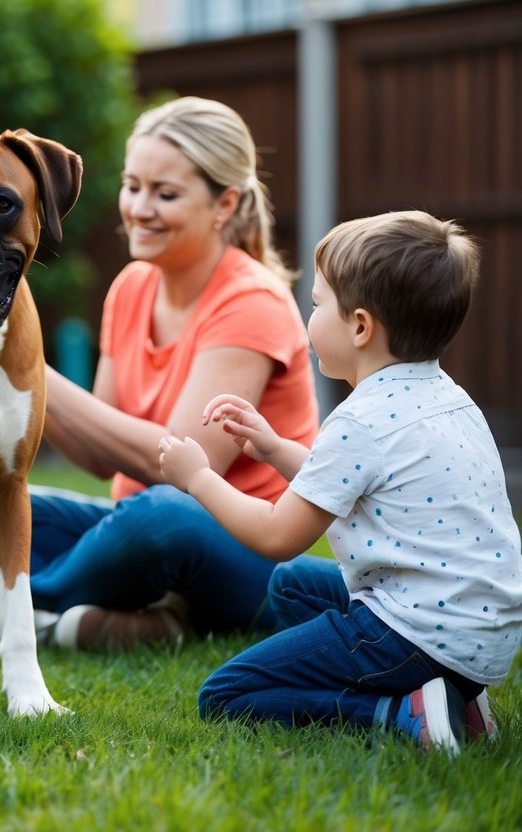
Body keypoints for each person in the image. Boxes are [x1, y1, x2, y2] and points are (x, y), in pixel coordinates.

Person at [0, 96, 319, 650]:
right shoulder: (133, 287)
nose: (139, 208)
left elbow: (181, 466)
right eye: (133, 186)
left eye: (165, 193)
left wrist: (23, 370)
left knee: (162, 516)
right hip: (127, 523)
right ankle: (63, 619)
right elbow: (99, 455)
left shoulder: (251, 301)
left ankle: (6, 612)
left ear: (224, 204)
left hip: (234, 542)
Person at [159, 210, 522, 755]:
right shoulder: (448, 397)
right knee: (290, 585)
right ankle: (457, 698)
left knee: (227, 694)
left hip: (418, 632)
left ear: (359, 326)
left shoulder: (360, 420)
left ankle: (404, 714)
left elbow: (278, 534)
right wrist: (273, 447)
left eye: (316, 303)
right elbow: (352, 480)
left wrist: (199, 479)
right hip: (477, 632)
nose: (310, 315)